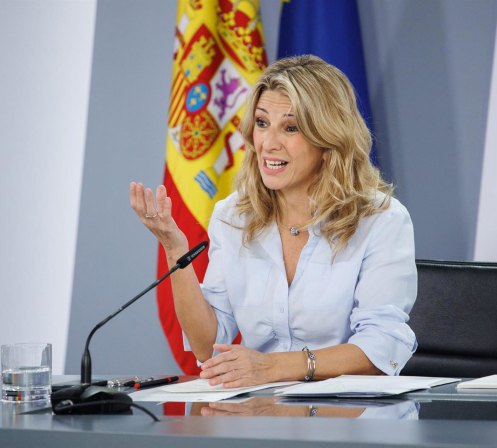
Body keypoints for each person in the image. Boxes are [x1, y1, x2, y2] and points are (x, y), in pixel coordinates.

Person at [130, 55, 417, 388]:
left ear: (328, 141)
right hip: (261, 409)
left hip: (350, 411)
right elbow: (207, 347)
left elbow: (382, 348)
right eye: (262, 123)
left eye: (290, 128)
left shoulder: (381, 221)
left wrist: (274, 367)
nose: (268, 143)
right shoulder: (233, 217)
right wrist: (175, 249)